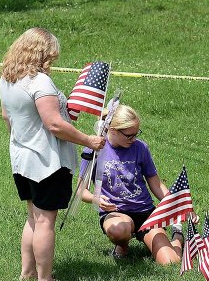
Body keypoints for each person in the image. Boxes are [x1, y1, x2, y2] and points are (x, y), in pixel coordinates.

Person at [0, 27, 106, 281]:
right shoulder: (39, 81)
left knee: (33, 217)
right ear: (43, 53)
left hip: (21, 158)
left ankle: (27, 273)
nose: (53, 61)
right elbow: (54, 125)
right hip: (46, 161)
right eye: (52, 55)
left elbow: (6, 116)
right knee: (46, 220)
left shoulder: (8, 78)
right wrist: (89, 140)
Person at [79, 104, 184, 265]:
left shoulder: (140, 148)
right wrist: (95, 199)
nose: (134, 139)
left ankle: (177, 235)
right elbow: (81, 191)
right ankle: (123, 245)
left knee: (171, 262)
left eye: (136, 134)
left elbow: (156, 184)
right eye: (129, 135)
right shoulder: (92, 151)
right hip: (116, 213)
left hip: (145, 212)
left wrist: (178, 207)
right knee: (118, 230)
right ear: (112, 130)